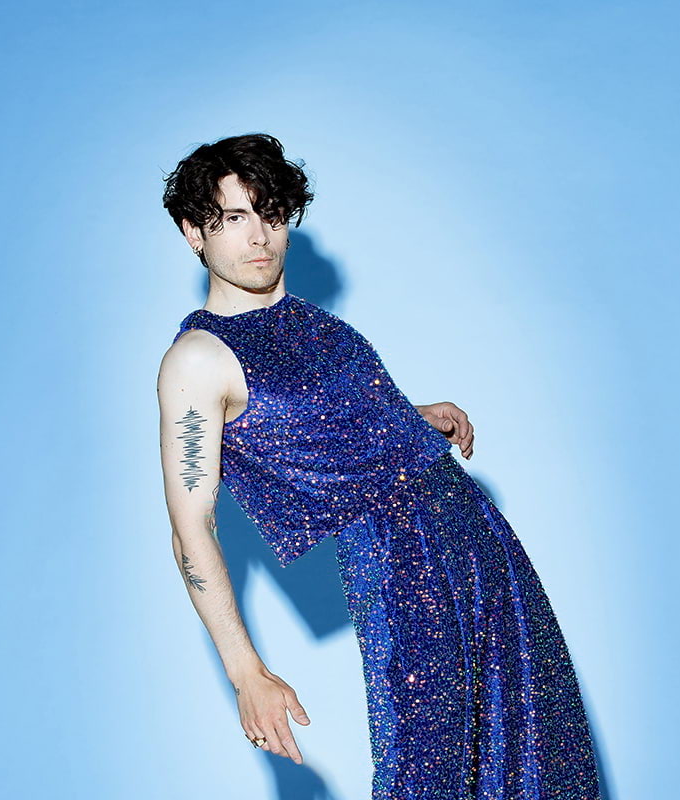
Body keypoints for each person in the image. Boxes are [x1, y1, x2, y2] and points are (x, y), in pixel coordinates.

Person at [156, 132, 601, 798]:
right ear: (194, 232)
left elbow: (317, 418)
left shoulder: (315, 322)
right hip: (399, 564)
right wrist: (246, 671)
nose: (259, 236)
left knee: (533, 751)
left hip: (476, 538)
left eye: (271, 213)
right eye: (234, 217)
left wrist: (409, 417)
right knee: (425, 768)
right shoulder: (198, 358)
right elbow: (191, 526)